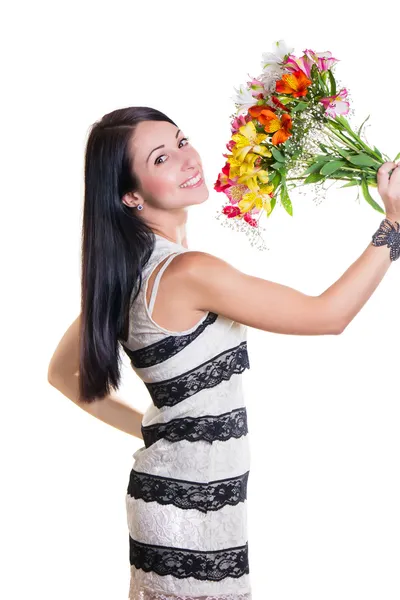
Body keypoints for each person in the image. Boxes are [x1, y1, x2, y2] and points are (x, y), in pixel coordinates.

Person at [47, 106, 400, 600]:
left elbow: (62, 376)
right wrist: (394, 223)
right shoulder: (190, 271)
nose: (187, 158)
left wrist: (160, 432)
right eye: (161, 158)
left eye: (182, 140)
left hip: (183, 500)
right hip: (191, 512)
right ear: (129, 194)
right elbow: (328, 316)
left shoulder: (125, 271)